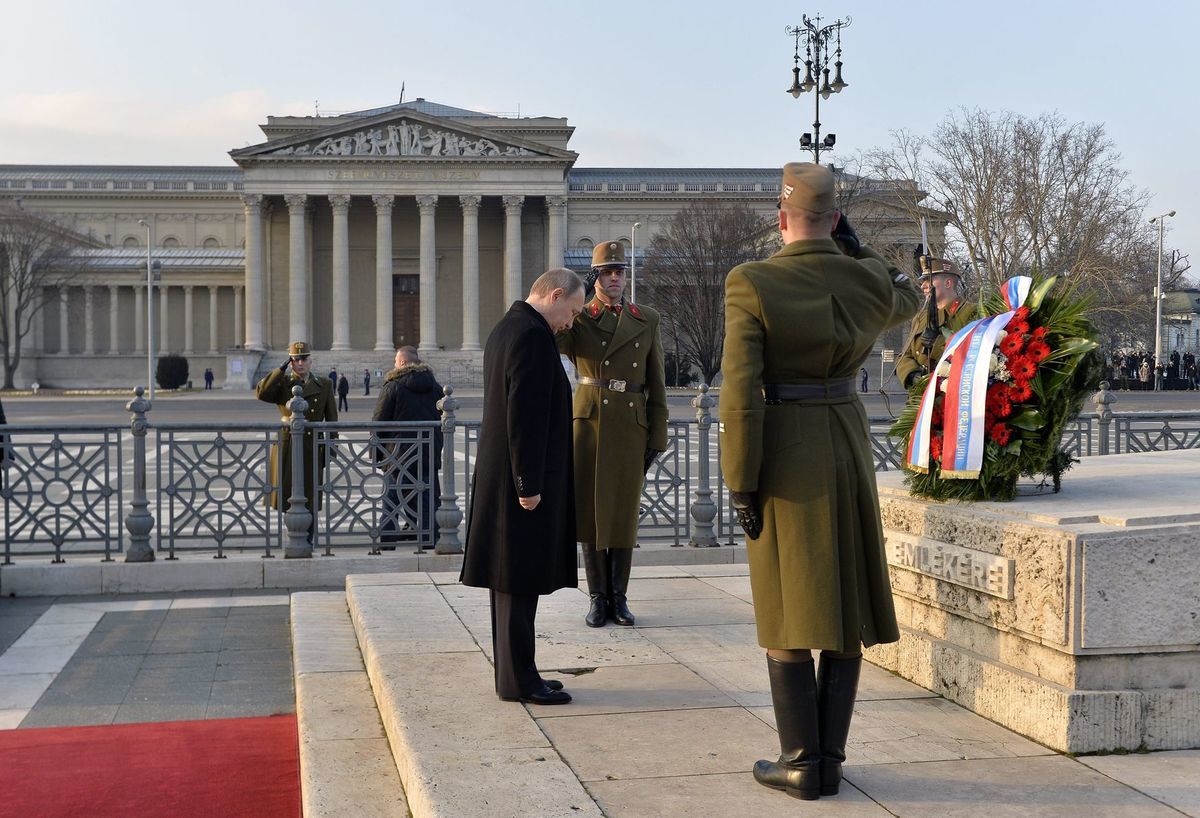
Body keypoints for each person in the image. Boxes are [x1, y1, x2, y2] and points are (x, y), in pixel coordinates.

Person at [720, 163, 921, 801]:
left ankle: (801, 761)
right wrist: (857, 249)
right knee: (843, 602)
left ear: (782, 219)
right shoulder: (864, 279)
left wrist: (740, 483)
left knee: (786, 605)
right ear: (835, 219)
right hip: (846, 439)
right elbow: (910, 295)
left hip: (785, 450)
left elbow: (739, 397)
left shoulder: (752, 282)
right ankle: (830, 757)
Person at [460, 268, 585, 706]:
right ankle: (518, 681)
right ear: (554, 295)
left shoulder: (508, 326)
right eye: (571, 311)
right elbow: (525, 417)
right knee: (516, 581)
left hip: (504, 476)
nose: (570, 322)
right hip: (521, 482)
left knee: (513, 582)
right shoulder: (532, 335)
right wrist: (528, 484)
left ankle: (520, 672)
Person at [558, 240, 669, 629]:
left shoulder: (646, 318)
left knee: (622, 514)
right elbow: (548, 332)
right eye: (608, 272)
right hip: (589, 424)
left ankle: (619, 598)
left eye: (620, 271)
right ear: (596, 277)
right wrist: (580, 294)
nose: (616, 278)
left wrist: (657, 436)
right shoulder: (580, 319)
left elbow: (657, 382)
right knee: (590, 514)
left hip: (629, 424)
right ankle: (597, 597)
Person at [255, 341, 338, 541]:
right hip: (287, 445)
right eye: (295, 360)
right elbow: (262, 393)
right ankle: (293, 537)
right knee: (287, 495)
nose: (300, 364)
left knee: (310, 496)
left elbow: (332, 420)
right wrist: (280, 369)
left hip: (311, 446)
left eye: (304, 359)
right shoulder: (282, 382)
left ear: (310, 361)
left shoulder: (324, 384)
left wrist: (329, 449)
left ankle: (308, 539)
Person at [372, 346, 444, 549]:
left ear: (402, 363)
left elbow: (378, 423)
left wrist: (378, 457)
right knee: (428, 500)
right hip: (427, 454)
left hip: (398, 456)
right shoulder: (435, 387)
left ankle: (387, 542)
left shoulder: (392, 386)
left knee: (392, 501)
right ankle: (429, 541)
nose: (394, 364)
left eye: (396, 360)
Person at [895, 256, 977, 390]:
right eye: (923, 280)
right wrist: (912, 375)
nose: (923, 285)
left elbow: (971, 354)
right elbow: (905, 355)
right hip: (922, 396)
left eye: (929, 280)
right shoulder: (921, 317)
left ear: (948, 283)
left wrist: (938, 341)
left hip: (952, 394)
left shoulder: (970, 313)